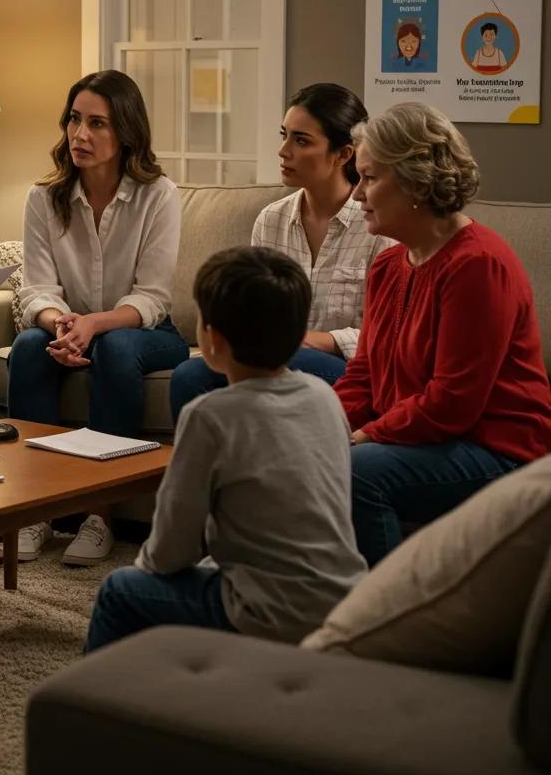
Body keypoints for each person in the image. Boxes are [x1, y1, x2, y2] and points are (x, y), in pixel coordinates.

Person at [84, 246, 366, 652]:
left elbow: (170, 551)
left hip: (268, 613)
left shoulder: (210, 415)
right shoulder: (325, 396)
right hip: (342, 600)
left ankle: (85, 711)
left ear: (211, 338)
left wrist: (150, 572)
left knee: (120, 590)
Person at [336, 102, 551, 566]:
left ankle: (382, 622)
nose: (356, 195)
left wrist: (365, 435)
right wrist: (323, 422)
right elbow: (365, 372)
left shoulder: (476, 265)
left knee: (356, 473)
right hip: (425, 435)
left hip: (497, 448)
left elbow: (452, 402)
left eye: (369, 178)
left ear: (415, 180)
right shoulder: (389, 265)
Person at [7, 69, 189, 565]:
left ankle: (100, 513)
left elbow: (152, 297)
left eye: (97, 124)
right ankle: (31, 509)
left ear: (126, 132)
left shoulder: (159, 195)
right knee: (26, 347)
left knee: (114, 347)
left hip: (143, 331)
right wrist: (59, 324)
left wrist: (93, 325)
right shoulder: (44, 197)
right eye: (74, 120)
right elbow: (38, 288)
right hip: (69, 326)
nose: (80, 135)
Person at [169, 84, 392, 422]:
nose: (283, 151)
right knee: (189, 375)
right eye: (284, 135)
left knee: (286, 362)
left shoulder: (377, 227)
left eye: (301, 141)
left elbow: (386, 337)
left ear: (343, 154)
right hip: (275, 356)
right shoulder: (271, 219)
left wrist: (320, 340)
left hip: (348, 369)